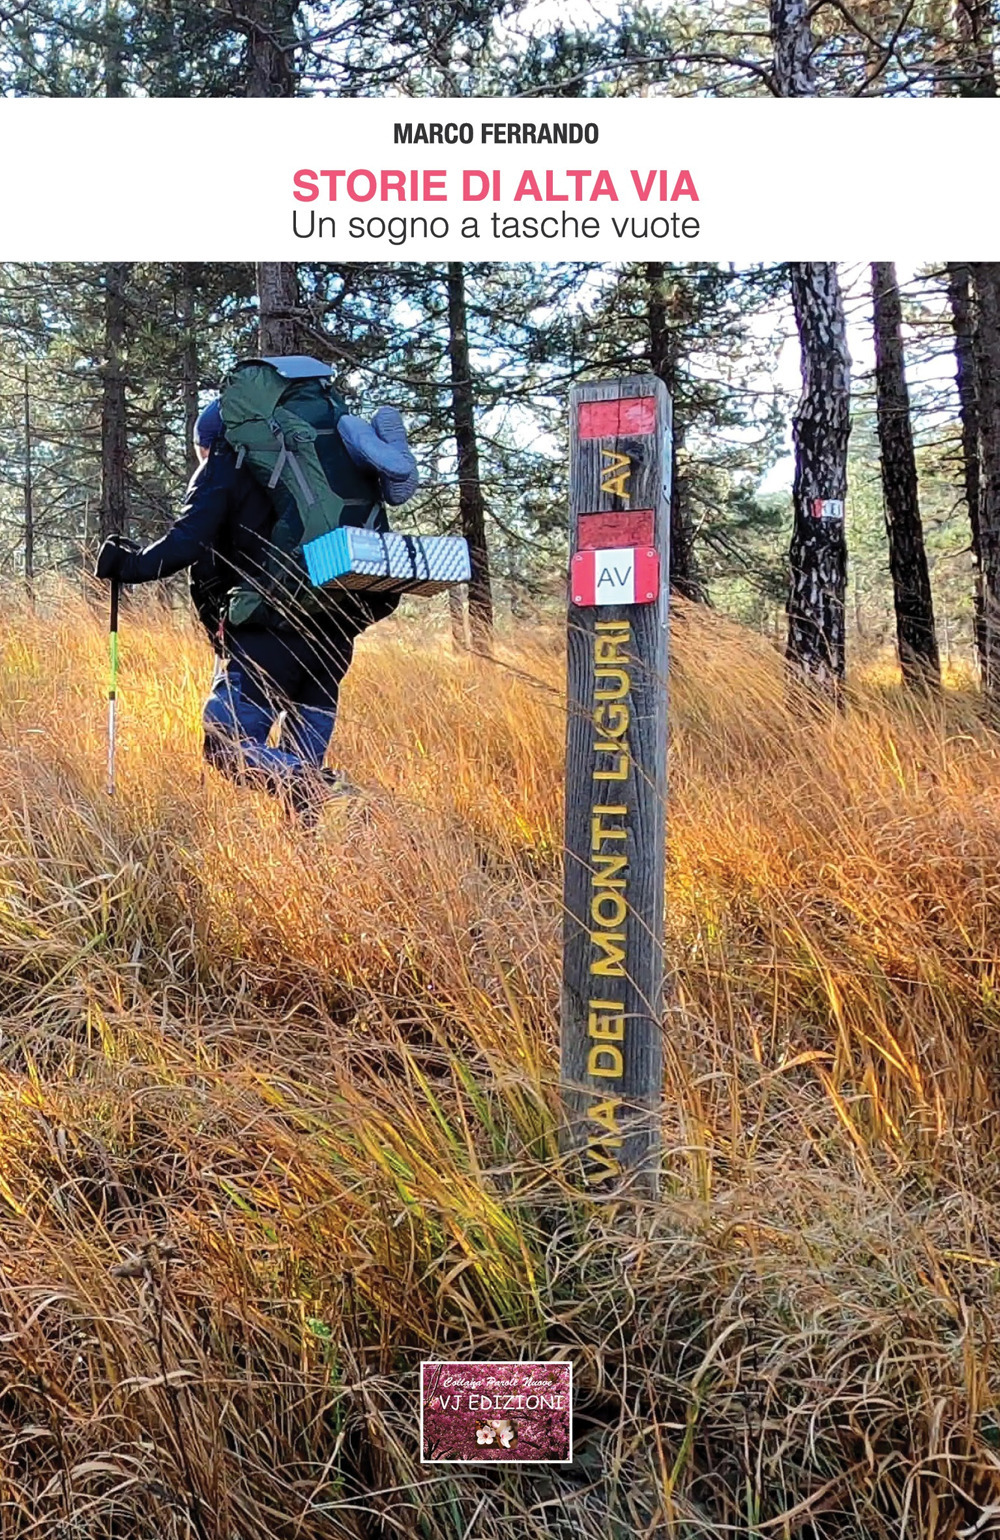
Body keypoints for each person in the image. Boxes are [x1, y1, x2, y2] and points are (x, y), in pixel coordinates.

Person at [95, 393, 415, 825]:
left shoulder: (224, 465)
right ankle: (312, 863)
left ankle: (333, 791)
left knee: (226, 748)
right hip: (331, 642)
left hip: (265, 639)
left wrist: (127, 565)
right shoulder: (321, 479)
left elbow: (186, 543)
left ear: (211, 442)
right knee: (297, 773)